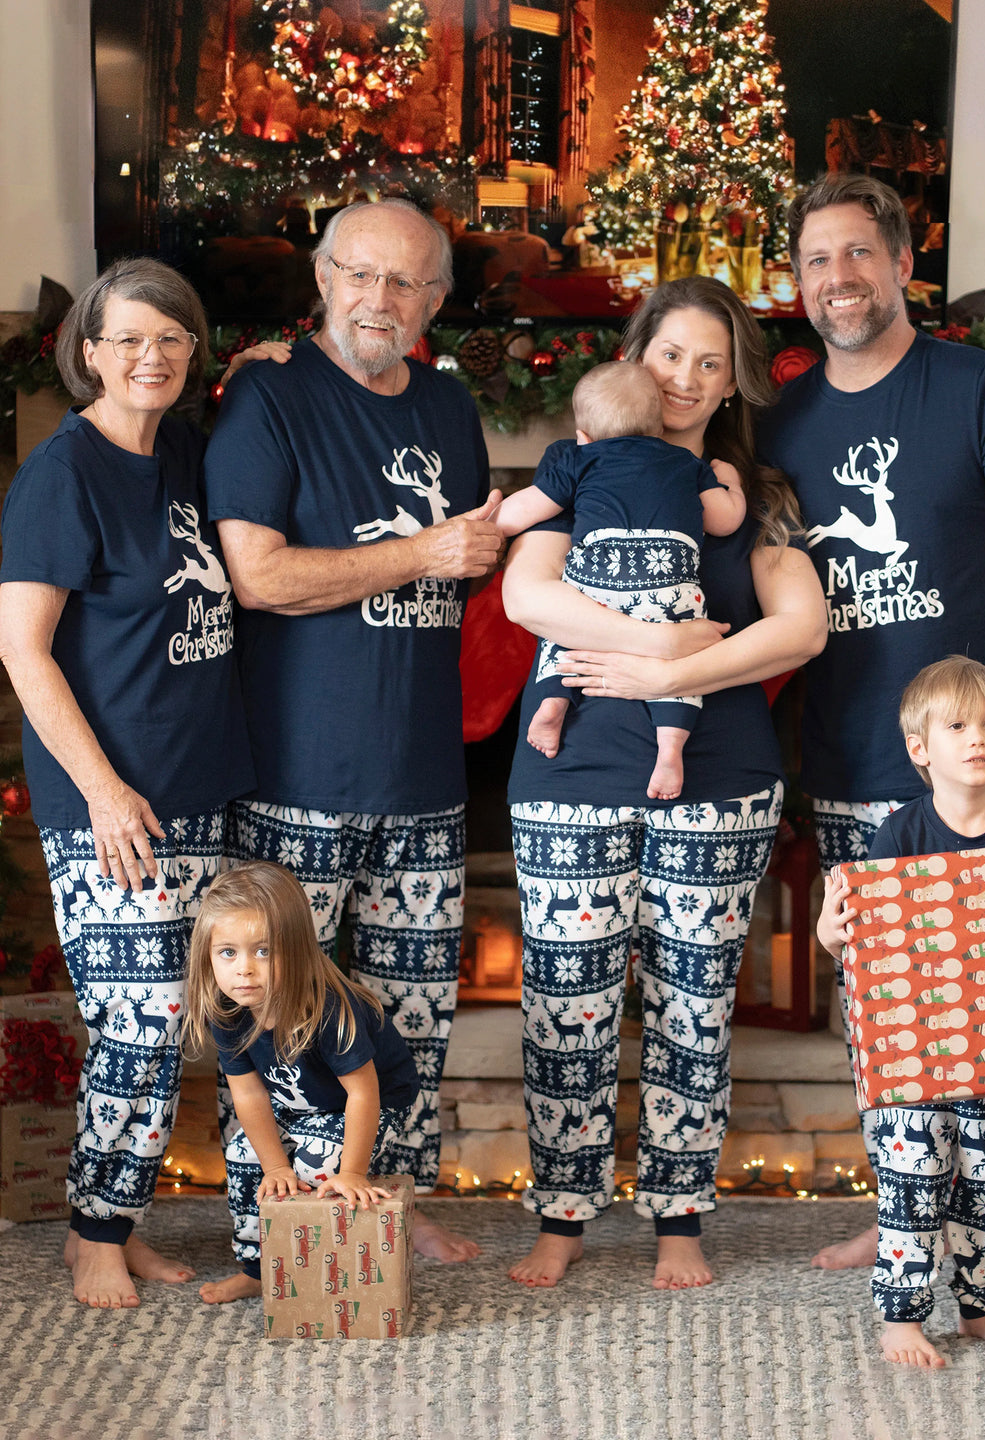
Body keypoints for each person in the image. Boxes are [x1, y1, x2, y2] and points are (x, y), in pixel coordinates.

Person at [757, 172, 985, 1302]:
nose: (837, 278)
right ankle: (901, 1212)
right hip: (853, 755)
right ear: (797, 285)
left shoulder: (980, 387)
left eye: (858, 253)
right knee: (885, 1007)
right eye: (815, 261)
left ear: (902, 264)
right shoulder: (783, 423)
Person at [499, 276, 828, 1289]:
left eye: (709, 363)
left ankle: (680, 1219)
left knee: (695, 1007)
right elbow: (525, 594)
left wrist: (675, 669)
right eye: (670, 353)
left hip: (717, 782)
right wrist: (663, 640)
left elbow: (801, 627)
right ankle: (562, 1217)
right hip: (569, 776)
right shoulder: (586, 466)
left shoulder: (746, 494)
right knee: (567, 1005)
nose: (685, 376)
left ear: (732, 385)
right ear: (634, 358)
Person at [203, 197, 503, 1263]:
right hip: (299, 778)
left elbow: (474, 565)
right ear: (324, 278)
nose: (381, 298)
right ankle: (271, 1240)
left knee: (410, 1019)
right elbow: (259, 576)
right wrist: (422, 554)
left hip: (424, 777)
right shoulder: (269, 394)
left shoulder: (450, 408)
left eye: (407, 281)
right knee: (277, 1017)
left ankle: (389, 1213)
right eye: (360, 273)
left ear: (436, 301)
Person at [0, 258, 254, 1308]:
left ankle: (123, 1218)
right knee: (140, 1021)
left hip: (205, 786)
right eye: (129, 339)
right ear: (90, 353)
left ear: (193, 352)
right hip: (113, 800)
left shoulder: (188, 452)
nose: (151, 356)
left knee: (181, 1016)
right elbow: (22, 649)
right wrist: (104, 792)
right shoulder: (62, 474)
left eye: (172, 338)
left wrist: (266, 362)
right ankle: (94, 1231)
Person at [818, 656, 985, 1366]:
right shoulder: (899, 835)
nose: (976, 737)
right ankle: (902, 1318)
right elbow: (866, 946)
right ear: (920, 748)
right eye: (956, 726)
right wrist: (831, 937)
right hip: (913, 1047)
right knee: (913, 1184)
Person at [491, 361, 746, 798]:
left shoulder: (577, 459)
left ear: (583, 435)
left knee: (564, 635)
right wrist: (731, 483)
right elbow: (726, 521)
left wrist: (485, 521)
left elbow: (520, 513)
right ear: (658, 428)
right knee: (678, 667)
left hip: (600, 575)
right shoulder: (685, 462)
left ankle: (552, 704)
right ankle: (670, 751)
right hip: (667, 581)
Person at [183, 862, 420, 1304]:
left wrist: (352, 1172)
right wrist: (275, 1166)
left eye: (263, 951)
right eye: (228, 953)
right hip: (301, 1104)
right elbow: (248, 1093)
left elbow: (363, 1092)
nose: (244, 970)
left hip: (376, 1100)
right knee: (243, 1155)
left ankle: (327, 1269)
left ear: (296, 950)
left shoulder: (327, 1008)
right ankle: (259, 1269)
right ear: (208, 956)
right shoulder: (228, 1009)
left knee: (318, 1166)